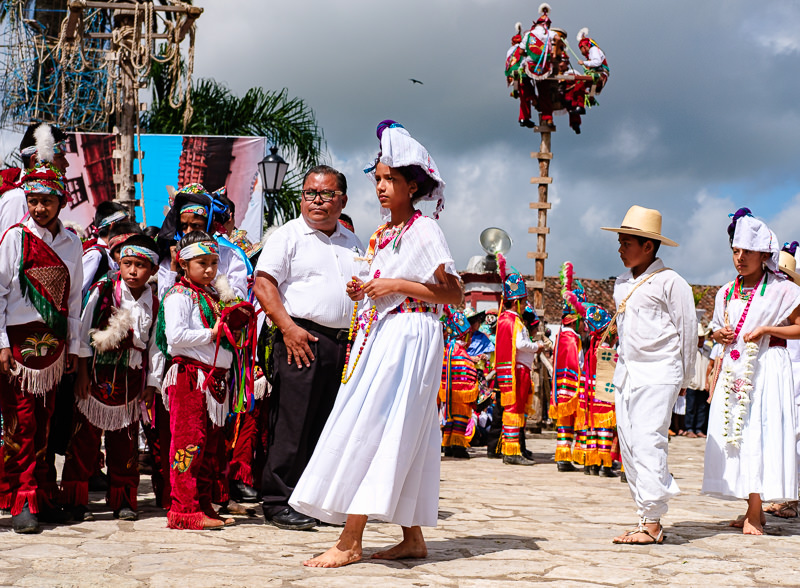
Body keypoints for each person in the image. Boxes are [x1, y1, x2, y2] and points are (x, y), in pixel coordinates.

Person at [289, 120, 462, 568]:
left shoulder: (424, 230)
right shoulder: (384, 233)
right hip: (386, 331)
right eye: (378, 179)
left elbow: (453, 293)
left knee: (374, 423)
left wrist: (395, 285)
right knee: (399, 426)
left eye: (390, 179)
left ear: (412, 186)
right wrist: (366, 290)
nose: (381, 187)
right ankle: (412, 537)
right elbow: (385, 285)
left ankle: (351, 539)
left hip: (413, 333)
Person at [253, 164, 363, 530]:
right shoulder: (288, 236)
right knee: (293, 422)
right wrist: (288, 328)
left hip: (342, 344)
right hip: (300, 339)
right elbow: (264, 285)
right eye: (310, 193)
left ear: (342, 200)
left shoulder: (352, 241)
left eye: (326, 194)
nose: (317, 200)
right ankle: (278, 501)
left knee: (327, 425)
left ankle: (312, 501)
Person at [601, 205, 697, 545]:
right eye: (620, 241)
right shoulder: (621, 283)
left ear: (648, 246)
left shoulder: (672, 282)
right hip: (627, 372)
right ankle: (644, 516)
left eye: (626, 243)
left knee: (648, 440)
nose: (620, 248)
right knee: (629, 444)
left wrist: (684, 380)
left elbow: (688, 332)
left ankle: (653, 520)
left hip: (660, 371)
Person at [702, 210, 800, 535]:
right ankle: (750, 507)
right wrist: (718, 334)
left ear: (763, 254)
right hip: (735, 370)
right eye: (735, 251)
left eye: (747, 251)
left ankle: (756, 512)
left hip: (767, 369)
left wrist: (768, 329)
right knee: (737, 436)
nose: (740, 258)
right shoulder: (726, 291)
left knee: (759, 433)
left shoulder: (782, 289)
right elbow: (717, 327)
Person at [0, 163, 83, 533]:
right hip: (18, 345)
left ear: (61, 202)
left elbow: (74, 299)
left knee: (46, 423)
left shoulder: (72, 243)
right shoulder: (14, 238)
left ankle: (42, 496)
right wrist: (1, 344)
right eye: (33, 200)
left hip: (54, 346)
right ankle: (21, 498)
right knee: (21, 423)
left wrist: (74, 347)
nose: (39, 208)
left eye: (47, 201)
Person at [60, 234, 163, 522]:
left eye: (140, 265)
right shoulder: (104, 291)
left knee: (125, 444)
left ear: (153, 269)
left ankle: (123, 499)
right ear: (119, 263)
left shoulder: (155, 303)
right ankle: (75, 500)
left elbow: (155, 346)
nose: (132, 271)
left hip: (131, 382)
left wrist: (151, 384)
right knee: (84, 441)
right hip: (96, 377)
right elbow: (84, 332)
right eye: (127, 264)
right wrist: (82, 373)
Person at [157, 231, 237, 530]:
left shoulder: (211, 295)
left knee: (209, 446)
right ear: (183, 264)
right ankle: (184, 509)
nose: (209, 269)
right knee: (188, 442)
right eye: (202, 263)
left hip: (213, 379)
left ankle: (203, 505)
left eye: (213, 262)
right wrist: (214, 334)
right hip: (190, 377)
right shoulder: (179, 295)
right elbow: (175, 337)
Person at [494, 257, 543, 466]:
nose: (525, 306)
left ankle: (512, 449)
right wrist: (537, 346)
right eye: (523, 302)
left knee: (516, 409)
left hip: (519, 370)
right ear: (516, 302)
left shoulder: (510, 320)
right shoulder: (511, 320)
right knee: (513, 409)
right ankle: (511, 451)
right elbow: (521, 344)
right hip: (517, 371)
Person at [0, 123, 70, 233]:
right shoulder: (18, 199)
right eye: (59, 157)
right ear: (35, 161)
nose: (66, 164)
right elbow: (12, 243)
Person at [550, 262, 586, 472]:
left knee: (563, 423)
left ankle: (562, 457)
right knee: (576, 421)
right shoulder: (573, 340)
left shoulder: (559, 336)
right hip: (573, 387)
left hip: (559, 388)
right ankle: (576, 455)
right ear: (574, 321)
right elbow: (578, 363)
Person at [580, 302, 618, 477]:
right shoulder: (605, 349)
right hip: (603, 394)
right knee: (604, 427)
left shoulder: (592, 347)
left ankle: (592, 464)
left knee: (592, 428)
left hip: (590, 394)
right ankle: (605, 464)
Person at [440, 308, 479, 459]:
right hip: (461, 393)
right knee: (460, 417)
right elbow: (469, 373)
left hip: (447, 392)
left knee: (449, 417)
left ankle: (447, 444)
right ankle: (458, 446)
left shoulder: (447, 349)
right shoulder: (461, 352)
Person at [81, 201, 129, 296]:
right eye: (126, 225)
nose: (129, 230)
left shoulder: (113, 254)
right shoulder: (95, 255)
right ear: (113, 226)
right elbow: (78, 292)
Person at [682, 324, 712, 438]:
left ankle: (699, 429)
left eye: (702, 337)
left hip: (704, 383)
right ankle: (689, 428)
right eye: (699, 337)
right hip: (692, 383)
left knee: (702, 408)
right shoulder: (691, 350)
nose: (701, 340)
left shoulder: (708, 350)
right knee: (690, 407)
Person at [577, 28, 609, 94]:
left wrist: (583, 62)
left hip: (600, 75)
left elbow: (597, 62)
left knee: (578, 81)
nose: (581, 52)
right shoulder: (591, 54)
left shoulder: (593, 49)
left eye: (581, 49)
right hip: (596, 76)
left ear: (584, 46)